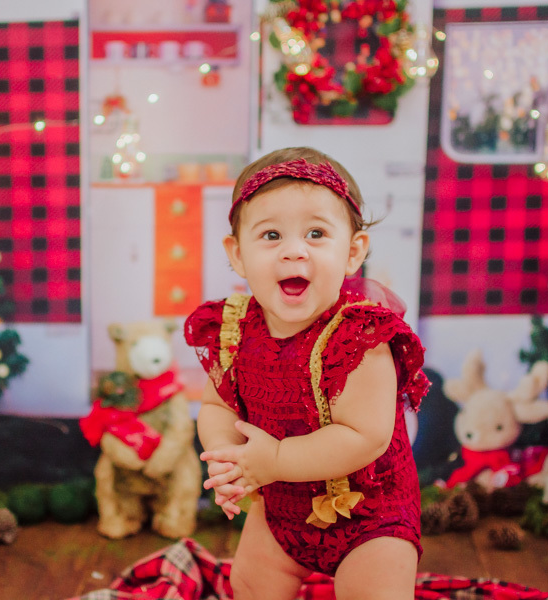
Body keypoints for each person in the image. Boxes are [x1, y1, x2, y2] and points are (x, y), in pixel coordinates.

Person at [184, 147, 429, 600]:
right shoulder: (234, 329)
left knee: (375, 591)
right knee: (252, 582)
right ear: (237, 255)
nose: (294, 251)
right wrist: (228, 456)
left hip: (370, 514)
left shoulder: (360, 338)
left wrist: (274, 461)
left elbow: (366, 436)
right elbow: (217, 405)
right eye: (271, 235)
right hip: (281, 508)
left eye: (316, 233)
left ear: (353, 252)